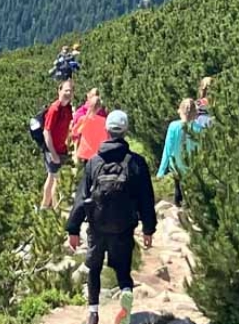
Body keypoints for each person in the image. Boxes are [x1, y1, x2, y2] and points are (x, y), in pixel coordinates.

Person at [67, 110, 157, 324]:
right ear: (125, 131)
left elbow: (81, 198)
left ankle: (93, 313)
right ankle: (125, 292)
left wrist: (73, 229)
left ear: (106, 131)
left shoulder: (94, 162)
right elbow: (146, 199)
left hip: (97, 227)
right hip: (124, 227)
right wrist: (148, 229)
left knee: (94, 269)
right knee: (123, 269)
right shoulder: (136, 163)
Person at [40, 79, 75, 211]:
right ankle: (46, 207)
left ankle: (51, 206)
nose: (68, 93)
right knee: (53, 177)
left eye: (71, 91)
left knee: (55, 178)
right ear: (59, 91)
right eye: (66, 90)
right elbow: (46, 132)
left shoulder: (67, 108)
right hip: (53, 150)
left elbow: (68, 127)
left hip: (61, 149)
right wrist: (53, 154)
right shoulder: (55, 109)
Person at [158, 98, 199, 206]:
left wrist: (161, 171)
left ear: (180, 111)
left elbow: (168, 149)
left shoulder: (173, 126)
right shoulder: (198, 128)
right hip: (193, 168)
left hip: (177, 167)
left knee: (178, 194)